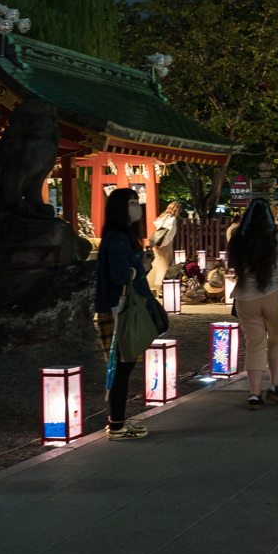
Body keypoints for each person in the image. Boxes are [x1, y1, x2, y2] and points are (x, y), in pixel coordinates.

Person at [95, 188, 158, 440]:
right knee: (121, 366)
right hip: (118, 309)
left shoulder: (118, 236)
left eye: (137, 202)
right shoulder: (118, 237)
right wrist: (141, 267)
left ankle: (118, 422)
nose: (137, 207)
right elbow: (121, 276)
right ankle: (117, 425)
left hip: (117, 307)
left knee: (122, 366)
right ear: (121, 208)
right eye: (132, 203)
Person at [229, 198, 278, 410]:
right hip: (275, 296)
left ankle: (254, 395)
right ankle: (275, 386)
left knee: (254, 345)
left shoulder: (238, 238)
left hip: (245, 299)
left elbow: (232, 266)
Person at [147, 200, 181, 294]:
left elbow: (159, 229)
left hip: (158, 243)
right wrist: (160, 245)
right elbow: (168, 234)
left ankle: (157, 288)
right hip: (164, 245)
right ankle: (163, 290)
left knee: (159, 266)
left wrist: (157, 244)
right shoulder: (172, 219)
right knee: (165, 267)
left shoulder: (163, 217)